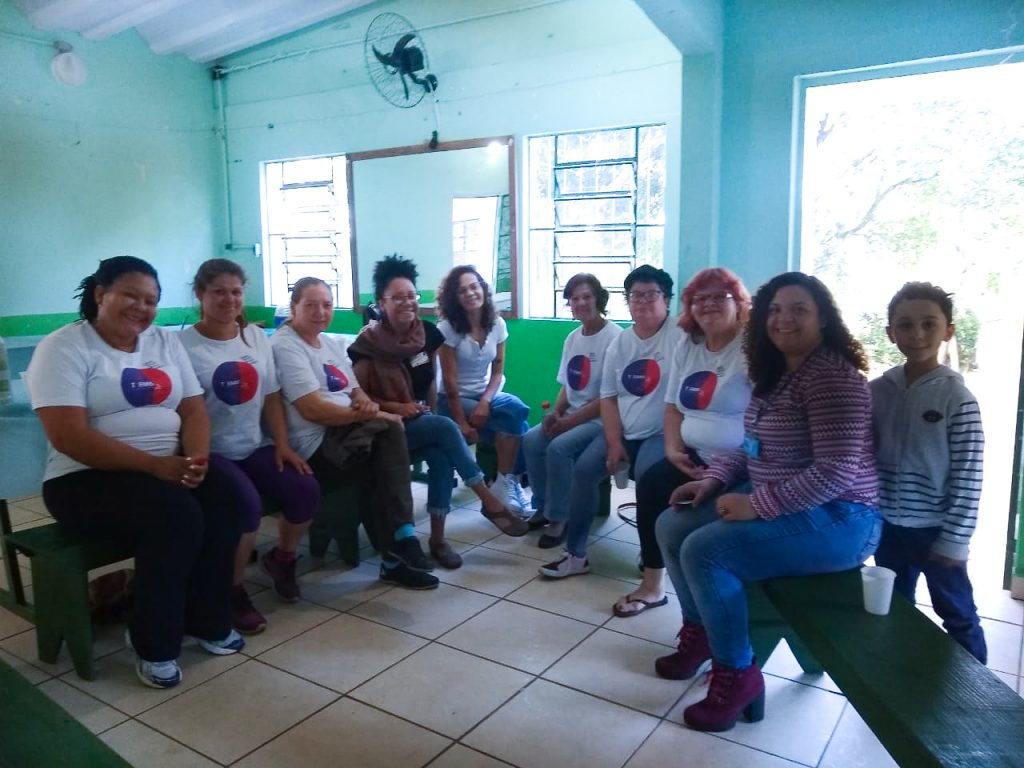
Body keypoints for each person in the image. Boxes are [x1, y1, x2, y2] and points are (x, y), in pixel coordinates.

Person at [655, 271, 880, 732]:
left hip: (843, 518)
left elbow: (834, 473)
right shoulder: (777, 372)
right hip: (785, 501)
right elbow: (750, 446)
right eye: (775, 309)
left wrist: (758, 506)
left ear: (824, 319)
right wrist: (713, 480)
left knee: (706, 549)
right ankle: (700, 634)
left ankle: (737, 674)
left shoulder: (834, 378)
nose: (783, 319)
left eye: (799, 309)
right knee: (671, 525)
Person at [25, 256, 245, 690]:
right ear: (101, 294)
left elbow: (193, 407)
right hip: (83, 479)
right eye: (131, 296)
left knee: (226, 497)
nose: (142, 308)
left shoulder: (163, 342)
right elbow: (69, 436)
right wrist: (155, 466)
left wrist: (197, 459)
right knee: (176, 516)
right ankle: (154, 642)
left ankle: (206, 619)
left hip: (164, 470)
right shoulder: (65, 346)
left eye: (151, 301)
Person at [348, 256, 528, 570]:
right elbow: (360, 396)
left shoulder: (426, 335)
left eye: (411, 296)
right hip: (384, 426)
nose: (407, 303)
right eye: (398, 297)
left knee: (443, 452)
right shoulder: (368, 343)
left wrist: (425, 409)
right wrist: (399, 407)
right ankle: (487, 497)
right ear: (381, 303)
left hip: (417, 420)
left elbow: (430, 381)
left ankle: (437, 540)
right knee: (446, 428)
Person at [179, 259, 319, 634]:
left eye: (236, 292)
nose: (229, 299)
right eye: (219, 292)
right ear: (200, 294)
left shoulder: (256, 337)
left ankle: (282, 559)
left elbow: (272, 395)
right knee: (247, 507)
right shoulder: (182, 344)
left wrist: (282, 445)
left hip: (253, 445)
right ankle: (232, 590)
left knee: (304, 488)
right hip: (213, 452)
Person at [270, 277, 438, 590]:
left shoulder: (329, 344)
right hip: (316, 447)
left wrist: (363, 403)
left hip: (346, 436)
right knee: (387, 440)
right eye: (311, 305)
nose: (321, 312)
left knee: (384, 454)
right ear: (294, 308)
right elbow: (313, 410)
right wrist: (372, 413)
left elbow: (355, 389)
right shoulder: (285, 345)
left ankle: (398, 550)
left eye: (327, 305)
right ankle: (400, 545)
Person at [613, 268, 753, 617]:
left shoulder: (752, 348)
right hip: (693, 454)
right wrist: (674, 450)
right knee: (651, 484)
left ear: (738, 301)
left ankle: (709, 607)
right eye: (699, 299)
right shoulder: (689, 345)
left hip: (743, 464)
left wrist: (723, 468)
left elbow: (767, 419)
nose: (708, 305)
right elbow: (673, 407)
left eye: (719, 296)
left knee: (682, 530)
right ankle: (652, 585)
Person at [870, 282, 987, 662]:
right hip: (888, 526)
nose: (916, 334)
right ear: (890, 332)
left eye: (928, 324)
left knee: (957, 614)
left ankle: (979, 700)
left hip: (937, 532)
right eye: (905, 325)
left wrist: (955, 539)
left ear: (948, 331)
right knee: (895, 609)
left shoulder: (958, 399)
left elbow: (970, 475)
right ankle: (903, 679)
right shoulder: (876, 391)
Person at [539, 265, 680, 577]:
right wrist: (614, 443)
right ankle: (575, 555)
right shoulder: (622, 343)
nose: (642, 302)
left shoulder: (680, 338)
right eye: (635, 296)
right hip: (622, 430)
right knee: (585, 471)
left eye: (651, 295)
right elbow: (610, 398)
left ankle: (651, 555)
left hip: (661, 433)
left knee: (649, 479)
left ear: (666, 299)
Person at [521, 274, 622, 548]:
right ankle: (542, 507)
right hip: (573, 415)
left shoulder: (615, 338)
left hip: (601, 420)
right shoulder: (573, 338)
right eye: (575, 298)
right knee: (532, 439)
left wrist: (569, 422)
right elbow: (568, 385)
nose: (581, 303)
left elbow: (608, 398)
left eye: (586, 296)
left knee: (559, 448)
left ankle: (559, 518)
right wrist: (556, 413)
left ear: (599, 299)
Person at [436, 266, 530, 512]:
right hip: (451, 400)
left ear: (483, 289)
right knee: (515, 420)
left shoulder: (497, 323)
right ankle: (506, 483)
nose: (470, 293)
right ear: (454, 297)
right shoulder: (447, 329)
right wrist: (462, 423)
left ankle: (504, 482)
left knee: (516, 415)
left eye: (473, 286)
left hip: (485, 395)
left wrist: (485, 402)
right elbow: (449, 382)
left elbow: (498, 371)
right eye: (462, 290)